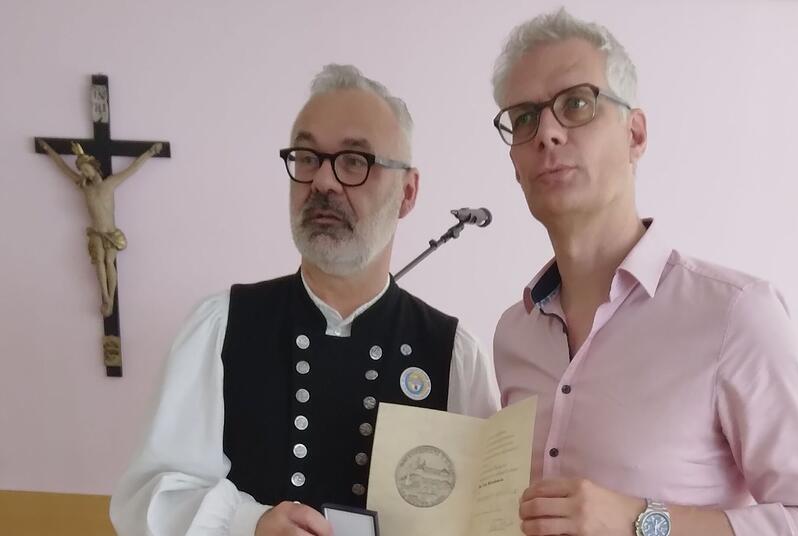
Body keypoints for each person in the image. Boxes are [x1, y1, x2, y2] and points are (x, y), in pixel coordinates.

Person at [490, 9, 798, 536]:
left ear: (635, 134)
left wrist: (641, 519)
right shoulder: (513, 335)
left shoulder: (736, 315)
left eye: (576, 104)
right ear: (515, 164)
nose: (546, 132)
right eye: (524, 118)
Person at [110, 64, 500, 536]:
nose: (323, 182)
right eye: (308, 157)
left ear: (408, 192)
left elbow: (488, 522)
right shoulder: (222, 326)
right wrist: (249, 523)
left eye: (354, 161)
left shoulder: (454, 354)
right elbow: (148, 500)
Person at [38, 139, 163, 316]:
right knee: (99, 262)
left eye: (86, 169)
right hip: (96, 232)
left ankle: (111, 296)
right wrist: (48, 149)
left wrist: (150, 152)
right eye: (82, 171)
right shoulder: (85, 188)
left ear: (94, 166)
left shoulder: (110, 183)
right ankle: (105, 296)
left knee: (109, 262)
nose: (84, 173)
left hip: (111, 233)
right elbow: (63, 168)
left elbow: (133, 168)